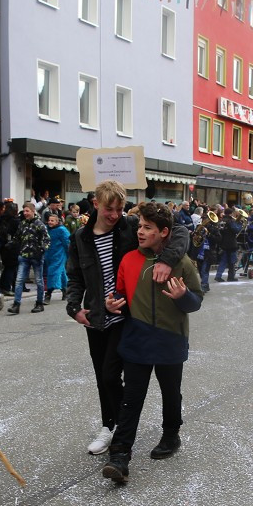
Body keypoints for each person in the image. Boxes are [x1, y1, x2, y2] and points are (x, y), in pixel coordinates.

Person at [65, 181, 190, 455]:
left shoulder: (130, 226)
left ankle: (123, 428)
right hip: (97, 316)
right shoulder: (80, 237)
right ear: (96, 204)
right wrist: (74, 307)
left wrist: (166, 259)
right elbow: (75, 276)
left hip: (128, 315)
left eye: (120, 209)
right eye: (109, 209)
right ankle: (110, 426)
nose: (114, 215)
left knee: (114, 375)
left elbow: (179, 232)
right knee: (103, 377)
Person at [101, 202, 202, 485]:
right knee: (131, 400)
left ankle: (171, 435)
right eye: (140, 227)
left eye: (147, 228)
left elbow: (196, 303)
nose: (141, 232)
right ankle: (119, 456)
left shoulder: (181, 263)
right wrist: (112, 304)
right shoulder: (129, 260)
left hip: (171, 340)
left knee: (171, 394)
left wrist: (183, 296)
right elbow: (119, 295)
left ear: (164, 232)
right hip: (137, 340)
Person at [7, 202, 50, 315]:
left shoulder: (39, 224)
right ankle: (16, 304)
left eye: (27, 211)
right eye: (24, 211)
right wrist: (10, 244)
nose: (25, 213)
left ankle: (39, 303)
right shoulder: (22, 224)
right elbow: (17, 237)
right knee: (19, 280)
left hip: (36, 257)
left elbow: (47, 239)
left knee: (39, 281)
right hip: (24, 256)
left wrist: (42, 250)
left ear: (33, 211)